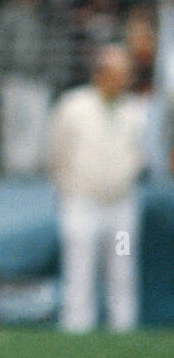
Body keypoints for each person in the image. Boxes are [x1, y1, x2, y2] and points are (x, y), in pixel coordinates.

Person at [49, 44, 148, 332]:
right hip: (82, 203)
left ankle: (123, 329)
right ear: (101, 73)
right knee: (79, 270)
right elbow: (56, 153)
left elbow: (141, 154)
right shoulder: (73, 106)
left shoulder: (135, 111)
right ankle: (76, 329)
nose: (124, 79)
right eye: (118, 73)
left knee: (122, 269)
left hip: (121, 205)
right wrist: (67, 190)